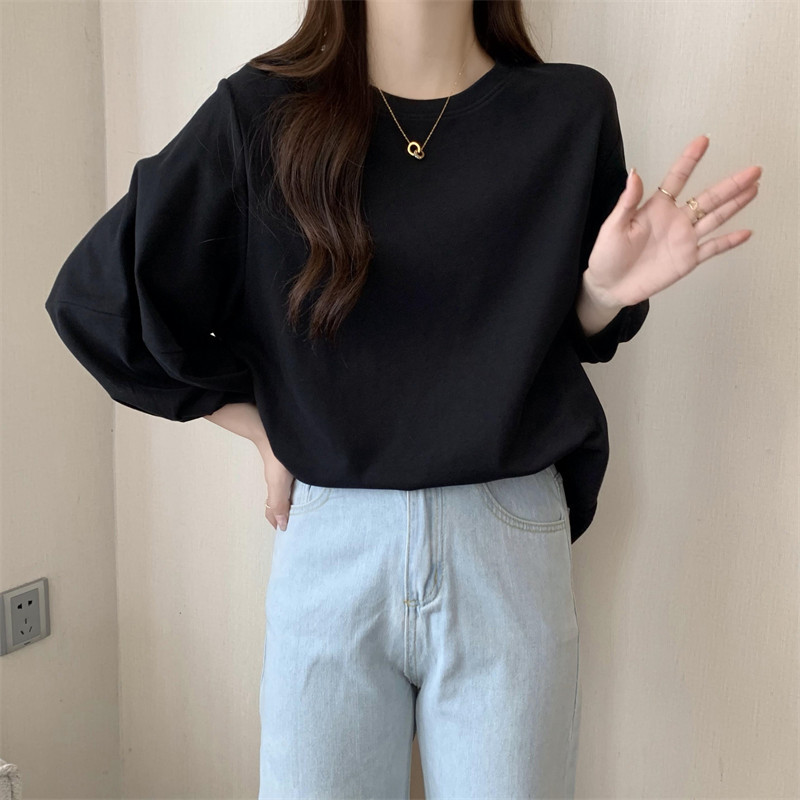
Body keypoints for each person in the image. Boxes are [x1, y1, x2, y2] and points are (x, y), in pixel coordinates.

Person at [44, 1, 760, 797]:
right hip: (332, 538)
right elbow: (97, 302)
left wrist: (602, 293)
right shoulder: (262, 111)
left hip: (507, 540)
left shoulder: (569, 110)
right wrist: (258, 427)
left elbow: (561, 334)